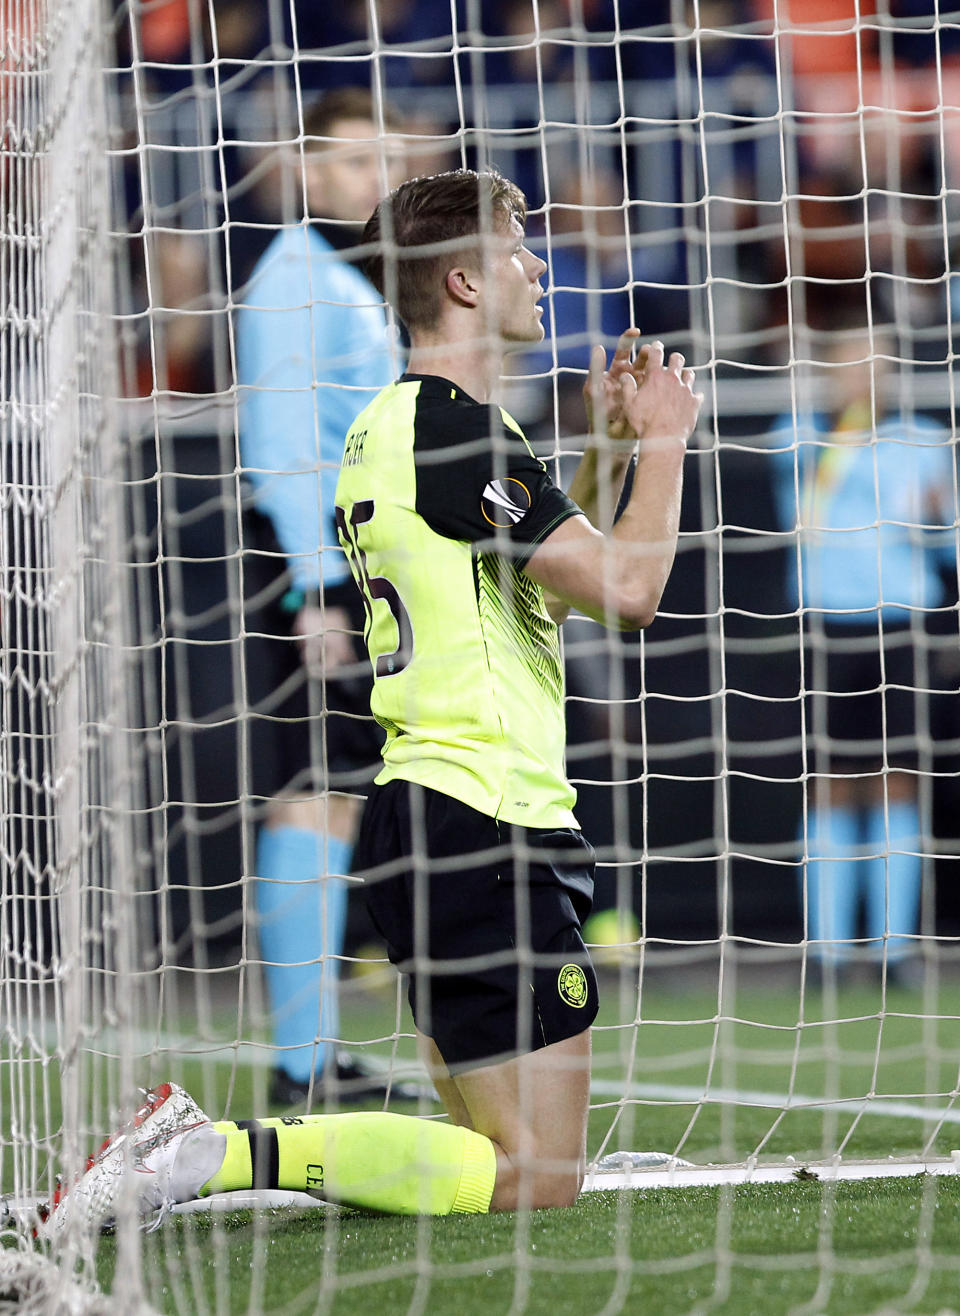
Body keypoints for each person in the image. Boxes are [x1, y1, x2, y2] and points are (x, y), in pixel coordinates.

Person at [47, 168, 701, 1228]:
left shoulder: (399, 427)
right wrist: (668, 439)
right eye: (513, 250)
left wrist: (611, 450)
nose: (537, 267)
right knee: (537, 1175)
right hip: (484, 816)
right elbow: (627, 590)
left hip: (433, 813)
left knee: (493, 1159)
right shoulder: (452, 433)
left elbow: (541, 596)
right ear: (462, 283)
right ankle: (205, 1151)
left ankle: (206, 1148)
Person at [236, 87, 410, 1106]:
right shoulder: (293, 278)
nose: (371, 177)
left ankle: (315, 1053)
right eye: (351, 161)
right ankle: (303, 1062)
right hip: (316, 567)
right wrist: (314, 588)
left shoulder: (340, 275)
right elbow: (282, 444)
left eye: (382, 159)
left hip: (345, 564)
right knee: (314, 791)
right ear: (307, 170)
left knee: (337, 795)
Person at [767, 316, 955, 982]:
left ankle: (894, 951)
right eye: (846, 359)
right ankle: (828, 955)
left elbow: (947, 548)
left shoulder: (925, 443)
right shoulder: (798, 438)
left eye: (871, 360)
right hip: (825, 627)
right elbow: (795, 510)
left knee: (896, 785)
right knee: (827, 789)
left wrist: (936, 516)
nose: (859, 372)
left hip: (897, 626)